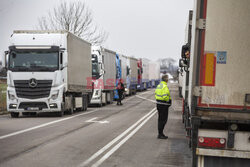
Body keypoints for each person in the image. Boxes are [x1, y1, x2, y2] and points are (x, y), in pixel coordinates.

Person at [155, 75, 172, 139]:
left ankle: (160, 133)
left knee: (160, 119)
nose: (168, 80)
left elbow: (156, 94)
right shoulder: (165, 86)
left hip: (159, 104)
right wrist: (168, 101)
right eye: (168, 78)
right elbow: (165, 96)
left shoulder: (159, 85)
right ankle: (160, 134)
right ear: (166, 79)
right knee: (163, 120)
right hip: (163, 104)